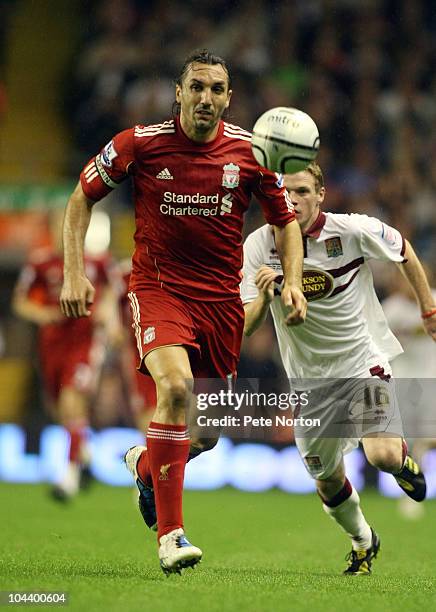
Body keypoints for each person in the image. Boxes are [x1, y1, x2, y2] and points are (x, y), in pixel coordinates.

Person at [59, 49, 306, 575]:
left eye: (217, 89)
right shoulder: (140, 144)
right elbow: (81, 198)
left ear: (228, 98)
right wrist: (74, 272)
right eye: (197, 87)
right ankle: (171, 537)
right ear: (179, 92)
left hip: (220, 303)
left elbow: (286, 223)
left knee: (207, 433)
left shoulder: (252, 153)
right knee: (173, 389)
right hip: (159, 289)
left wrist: (293, 281)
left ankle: (146, 465)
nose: (206, 98)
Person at [240, 161, 436, 575]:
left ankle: (400, 462)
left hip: (361, 361)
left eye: (303, 192)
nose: (293, 201)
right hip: (310, 383)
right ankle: (364, 540)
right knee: (326, 480)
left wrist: (428, 307)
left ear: (321, 194)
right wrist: (263, 295)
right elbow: (245, 327)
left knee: (380, 455)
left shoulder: (350, 230)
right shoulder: (258, 246)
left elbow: (403, 249)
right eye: (286, 193)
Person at [12, 210, 119, 500]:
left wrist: (107, 315)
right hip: (51, 344)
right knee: (60, 409)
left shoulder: (97, 262)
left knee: (73, 401)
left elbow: (112, 292)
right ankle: (85, 457)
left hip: (84, 340)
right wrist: (42, 314)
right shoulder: (41, 262)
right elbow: (20, 302)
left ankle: (69, 477)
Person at [382, 269, 436, 519]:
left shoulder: (433, 301)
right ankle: (409, 487)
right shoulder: (392, 309)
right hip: (401, 380)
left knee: (425, 438)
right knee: (407, 440)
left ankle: (414, 488)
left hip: (430, 379)